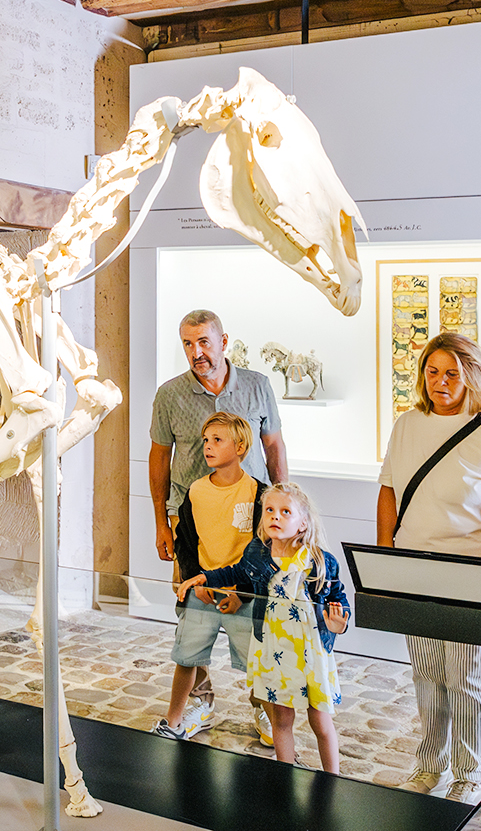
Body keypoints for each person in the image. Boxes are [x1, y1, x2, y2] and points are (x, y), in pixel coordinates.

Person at [376, 332, 481, 805]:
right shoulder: (406, 424)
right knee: (428, 671)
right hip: (414, 568)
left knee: (470, 675)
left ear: (472, 376)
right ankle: (429, 765)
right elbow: (388, 491)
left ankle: (469, 773)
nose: (440, 382)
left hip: (469, 572)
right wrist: (386, 558)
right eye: (432, 371)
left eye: (452, 373)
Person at [149, 309, 287, 743]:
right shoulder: (169, 394)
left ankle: (262, 704)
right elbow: (158, 460)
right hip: (190, 521)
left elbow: (275, 448)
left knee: (255, 609)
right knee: (193, 608)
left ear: (223, 341)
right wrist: (161, 522)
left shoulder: (258, 385)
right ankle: (198, 702)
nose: (196, 352)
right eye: (188, 344)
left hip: (253, 520)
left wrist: (285, 515)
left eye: (204, 342)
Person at [178, 482, 350, 772]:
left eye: (285, 512)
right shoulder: (257, 553)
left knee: (320, 719)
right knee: (281, 719)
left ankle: (333, 778)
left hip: (310, 654)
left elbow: (338, 599)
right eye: (269, 510)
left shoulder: (321, 562)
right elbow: (234, 572)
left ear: (303, 523)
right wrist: (204, 578)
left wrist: (337, 624)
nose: (275, 516)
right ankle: (284, 775)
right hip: (273, 649)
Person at [150, 412, 266, 740]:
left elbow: (264, 551)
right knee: (187, 655)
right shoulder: (196, 491)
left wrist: (241, 592)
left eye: (217, 440)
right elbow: (187, 542)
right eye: (205, 440)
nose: (208, 447)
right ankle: (173, 720)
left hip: (243, 596)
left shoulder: (259, 494)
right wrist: (194, 580)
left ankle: (268, 715)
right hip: (203, 592)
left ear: (241, 446)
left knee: (258, 662)